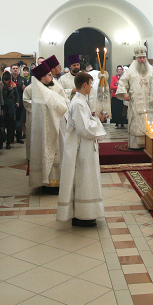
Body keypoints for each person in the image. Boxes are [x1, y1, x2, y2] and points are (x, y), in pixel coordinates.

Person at [57, 72, 108, 227]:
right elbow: (83, 129)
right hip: (81, 147)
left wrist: (95, 119)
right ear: (84, 84)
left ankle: (86, 213)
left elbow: (86, 121)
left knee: (86, 179)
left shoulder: (80, 100)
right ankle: (81, 215)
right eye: (90, 84)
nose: (92, 87)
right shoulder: (78, 103)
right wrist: (98, 124)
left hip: (84, 146)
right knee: (83, 179)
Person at [25, 62, 69, 193]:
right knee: (45, 152)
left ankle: (59, 182)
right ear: (42, 78)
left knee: (59, 153)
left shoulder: (55, 85)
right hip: (45, 130)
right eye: (49, 75)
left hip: (58, 127)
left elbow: (64, 102)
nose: (52, 77)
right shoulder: (34, 90)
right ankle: (46, 183)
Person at [115, 45, 153, 150]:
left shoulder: (151, 70)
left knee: (149, 123)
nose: (142, 60)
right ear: (136, 58)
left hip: (148, 102)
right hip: (135, 102)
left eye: (143, 57)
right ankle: (135, 145)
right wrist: (125, 93)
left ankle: (148, 145)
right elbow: (122, 82)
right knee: (136, 123)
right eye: (140, 58)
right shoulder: (130, 71)